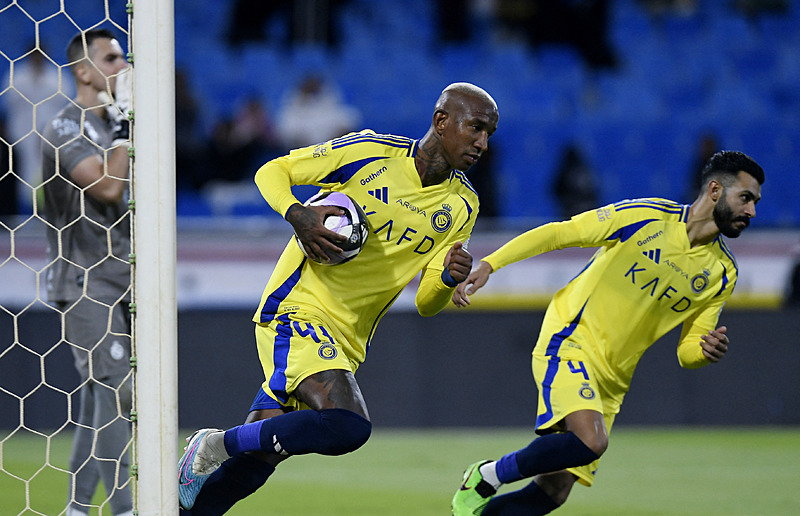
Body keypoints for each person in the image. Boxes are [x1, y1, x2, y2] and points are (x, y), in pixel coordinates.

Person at [177, 82, 499, 514]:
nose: (482, 142)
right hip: (297, 311)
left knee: (251, 467)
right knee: (347, 426)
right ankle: (212, 443)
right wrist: (300, 216)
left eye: (488, 134)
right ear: (441, 122)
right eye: (475, 128)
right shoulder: (370, 152)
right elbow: (271, 171)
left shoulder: (463, 206)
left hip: (347, 341)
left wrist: (444, 279)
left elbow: (425, 302)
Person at [450, 150, 764, 515]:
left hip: (613, 380)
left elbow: (687, 350)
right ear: (714, 190)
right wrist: (492, 263)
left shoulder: (723, 272)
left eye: (755, 202)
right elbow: (561, 233)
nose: (752, 211)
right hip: (571, 339)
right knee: (591, 440)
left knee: (555, 489)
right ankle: (487, 475)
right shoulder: (645, 217)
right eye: (746, 198)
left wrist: (705, 351)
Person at [40, 29, 133, 516]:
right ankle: (125, 510)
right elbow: (106, 188)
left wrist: (123, 125)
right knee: (120, 390)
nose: (123, 65)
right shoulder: (63, 126)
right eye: (112, 58)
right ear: (83, 70)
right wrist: (122, 131)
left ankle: (76, 510)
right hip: (84, 279)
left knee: (103, 397)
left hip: (123, 279)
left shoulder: (121, 126)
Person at [1, 43, 64, 213]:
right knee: (21, 171)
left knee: (48, 167)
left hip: (48, 133)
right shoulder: (17, 75)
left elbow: (64, 99)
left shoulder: (55, 75)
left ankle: (47, 209)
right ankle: (22, 210)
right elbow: (9, 101)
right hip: (22, 134)